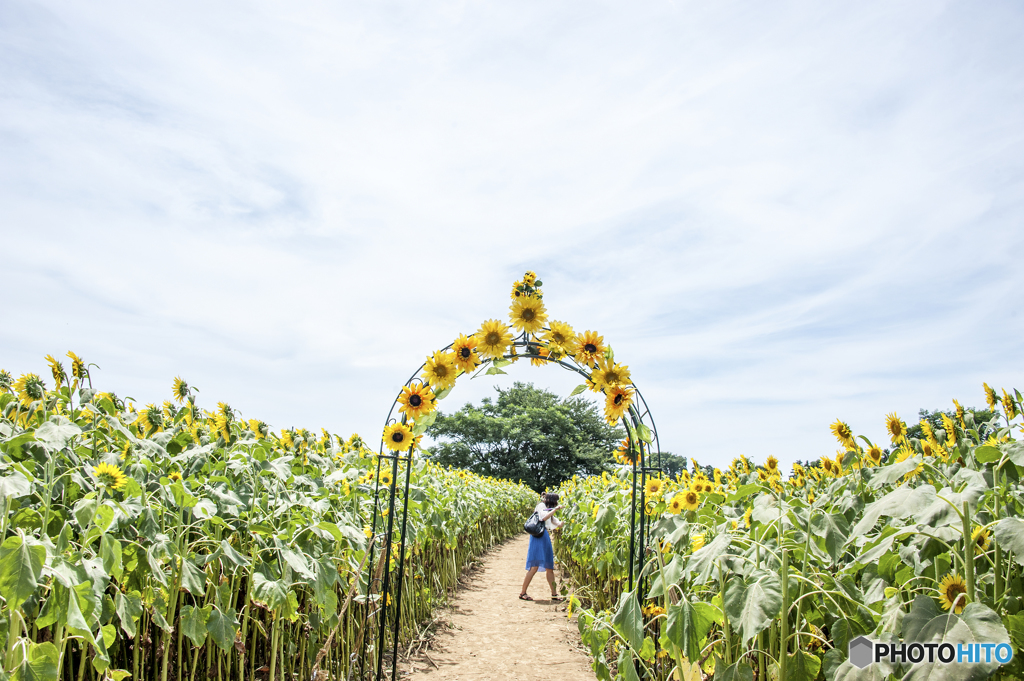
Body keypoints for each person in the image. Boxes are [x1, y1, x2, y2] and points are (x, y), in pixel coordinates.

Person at [520, 492, 564, 601]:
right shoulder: (541, 506)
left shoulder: (548, 508)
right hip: (538, 536)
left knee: (549, 567)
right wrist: (555, 509)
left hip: (545, 536)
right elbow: (543, 517)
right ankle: (523, 592)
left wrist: (561, 523)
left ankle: (554, 594)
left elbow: (553, 520)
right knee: (534, 567)